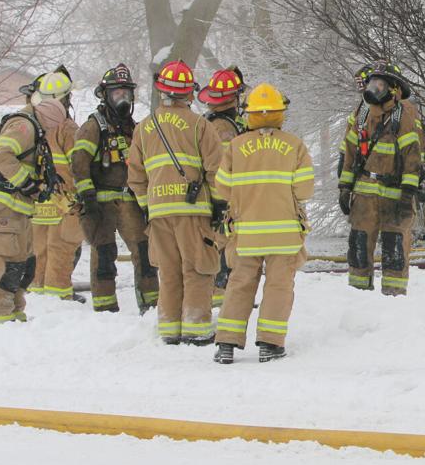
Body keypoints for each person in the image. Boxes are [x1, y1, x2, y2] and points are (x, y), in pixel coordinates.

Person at [212, 84, 314, 364]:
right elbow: (305, 190)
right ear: (281, 113)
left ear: (250, 113)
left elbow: (222, 188)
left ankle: (226, 343)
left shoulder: (236, 146)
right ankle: (270, 343)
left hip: (246, 234)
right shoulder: (295, 145)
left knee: (239, 284)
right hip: (285, 236)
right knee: (279, 286)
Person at [126, 60, 224, 344]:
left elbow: (135, 175)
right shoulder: (200, 125)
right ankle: (196, 328)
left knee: (168, 272)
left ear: (161, 91)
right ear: (189, 93)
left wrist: (147, 206)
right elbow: (216, 170)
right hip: (193, 211)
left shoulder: (143, 128)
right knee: (197, 268)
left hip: (158, 212)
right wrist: (219, 204)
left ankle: (169, 329)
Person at [73, 63, 159, 313]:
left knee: (145, 252)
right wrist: (88, 198)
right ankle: (105, 308)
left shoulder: (135, 128)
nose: (122, 98)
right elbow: (79, 164)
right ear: (105, 95)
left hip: (130, 202)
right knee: (104, 256)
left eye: (126, 92)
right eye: (117, 93)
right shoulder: (93, 127)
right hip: (101, 204)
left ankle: (151, 305)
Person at [0, 94, 68, 324]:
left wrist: (39, 187)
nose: (50, 132)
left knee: (21, 265)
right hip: (4, 209)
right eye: (51, 127)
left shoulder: (32, 128)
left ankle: (15, 314)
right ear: (47, 119)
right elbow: (1, 155)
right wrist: (26, 183)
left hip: (17, 211)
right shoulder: (24, 126)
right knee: (5, 264)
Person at [337, 60, 423, 295]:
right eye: (372, 83)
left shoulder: (404, 115)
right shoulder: (362, 113)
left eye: (380, 84)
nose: (374, 89)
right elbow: (350, 152)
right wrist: (345, 187)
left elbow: (412, 156)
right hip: (364, 192)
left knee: (395, 247)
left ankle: (393, 297)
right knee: (358, 243)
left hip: (395, 192)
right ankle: (358, 294)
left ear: (393, 89)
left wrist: (408, 192)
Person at [27, 71, 86, 302]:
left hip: (40, 202)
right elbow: (78, 165)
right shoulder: (67, 128)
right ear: (66, 98)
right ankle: (58, 299)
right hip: (65, 203)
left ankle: (38, 296)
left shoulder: (35, 124)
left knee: (39, 252)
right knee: (61, 251)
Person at [198, 67, 246, 309]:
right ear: (234, 97)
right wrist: (223, 202)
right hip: (223, 198)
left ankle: (221, 295)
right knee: (224, 245)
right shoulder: (223, 127)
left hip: (217, 197)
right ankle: (220, 296)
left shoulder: (216, 122)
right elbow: (223, 168)